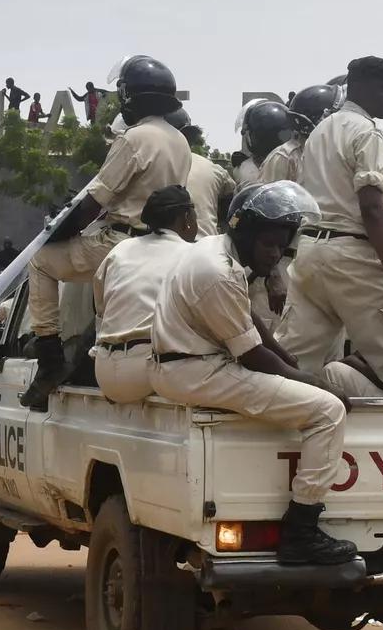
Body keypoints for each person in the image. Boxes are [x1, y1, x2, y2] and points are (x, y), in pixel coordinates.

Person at [149, 181, 357, 565]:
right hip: (197, 370)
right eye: (268, 244)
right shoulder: (218, 272)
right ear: (245, 235)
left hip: (190, 365)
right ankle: (301, 532)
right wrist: (315, 384)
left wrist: (290, 363)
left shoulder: (216, 251)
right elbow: (252, 356)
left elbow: (247, 320)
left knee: (304, 388)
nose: (275, 253)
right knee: (328, 411)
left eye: (281, 245)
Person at [20, 56, 190, 407]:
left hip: (120, 240)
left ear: (132, 95)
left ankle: (49, 358)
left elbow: (96, 200)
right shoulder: (180, 142)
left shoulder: (134, 138)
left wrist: (58, 232)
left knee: (41, 262)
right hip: (163, 242)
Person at [276, 56, 383, 392]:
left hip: (310, 251)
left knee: (293, 361)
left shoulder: (319, 132)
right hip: (351, 253)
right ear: (359, 87)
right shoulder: (367, 133)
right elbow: (371, 209)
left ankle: (268, 424)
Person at [90, 186, 197, 404]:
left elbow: (101, 310)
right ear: (187, 217)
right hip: (146, 369)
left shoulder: (120, 249)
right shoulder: (192, 254)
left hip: (104, 371)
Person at [179, 120, 236, 235]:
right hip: (207, 239)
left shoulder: (157, 163)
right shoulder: (213, 168)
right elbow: (233, 195)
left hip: (167, 241)